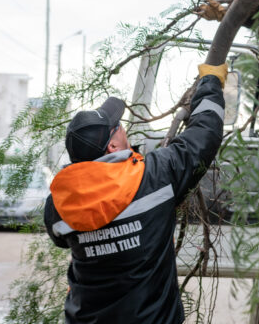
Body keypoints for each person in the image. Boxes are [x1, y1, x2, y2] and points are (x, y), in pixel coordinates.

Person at [43, 63, 228, 324]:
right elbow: (204, 135)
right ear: (113, 145)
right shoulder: (154, 177)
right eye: (118, 125)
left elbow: (61, 239)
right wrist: (211, 80)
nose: (123, 127)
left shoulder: (58, 205)